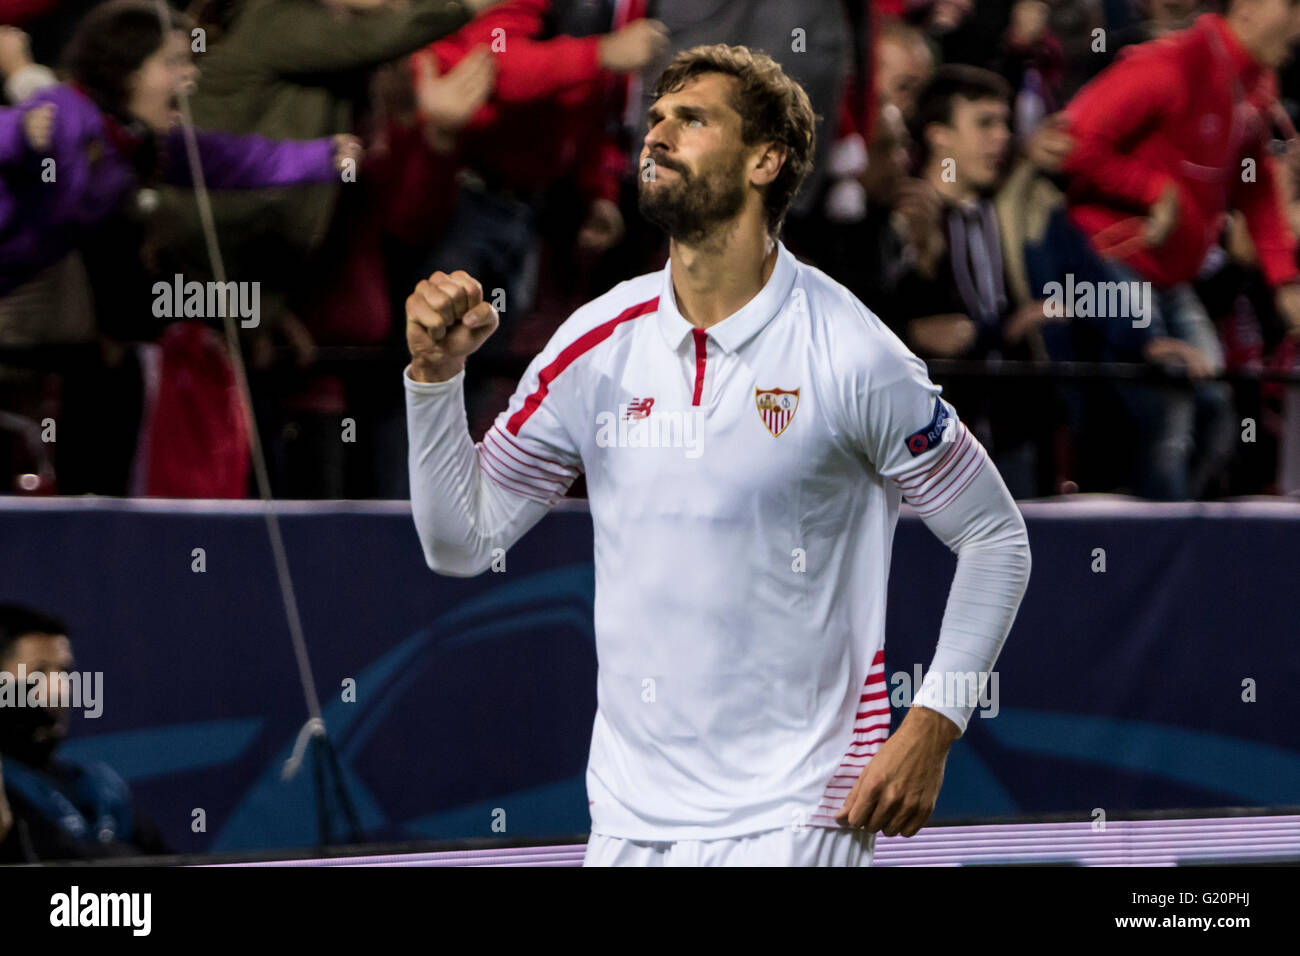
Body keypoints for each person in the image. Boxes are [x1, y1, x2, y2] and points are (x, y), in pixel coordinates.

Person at [403, 44, 1032, 866]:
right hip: (628, 824)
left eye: (692, 119)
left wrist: (934, 724)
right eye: (655, 117)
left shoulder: (851, 353)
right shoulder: (593, 346)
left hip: (802, 816)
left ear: (766, 159)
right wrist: (433, 380)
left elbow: (996, 539)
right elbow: (461, 542)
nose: (656, 134)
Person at [1056, 0, 1300, 498]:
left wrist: (1285, 280)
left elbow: (1255, 193)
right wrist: (1153, 189)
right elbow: (1074, 141)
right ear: (1249, 8)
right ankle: (1150, 559)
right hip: (1109, 263)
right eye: (1292, 6)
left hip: (1169, 279)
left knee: (1216, 411)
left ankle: (1180, 547)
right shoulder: (1170, 65)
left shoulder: (1254, 84)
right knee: (1172, 409)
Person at [0, 603, 169, 861]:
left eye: (64, 672)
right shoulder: (8, 786)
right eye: (38, 672)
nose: (60, 690)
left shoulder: (99, 785)